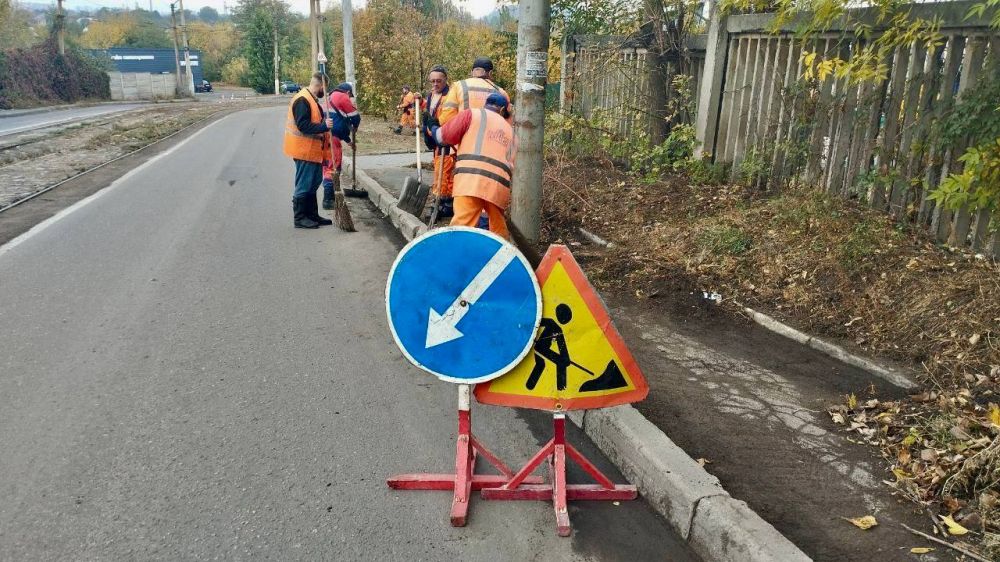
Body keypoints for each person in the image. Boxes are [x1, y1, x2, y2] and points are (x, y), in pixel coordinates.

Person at [430, 93, 515, 238]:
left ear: (485, 105)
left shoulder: (472, 115)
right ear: (502, 110)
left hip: (470, 181)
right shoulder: (512, 132)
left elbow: (442, 137)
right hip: (498, 187)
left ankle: (455, 257)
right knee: (498, 231)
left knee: (462, 226)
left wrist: (432, 127)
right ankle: (499, 256)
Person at [282, 72, 334, 229]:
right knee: (304, 185)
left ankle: (312, 215)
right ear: (319, 86)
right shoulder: (302, 100)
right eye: (325, 89)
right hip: (303, 150)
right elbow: (303, 126)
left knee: (313, 183)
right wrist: (324, 126)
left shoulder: (311, 99)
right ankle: (300, 218)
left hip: (312, 152)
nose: (325, 93)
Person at [421, 65, 455, 218]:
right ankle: (446, 204)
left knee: (443, 172)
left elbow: (449, 117)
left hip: (446, 139)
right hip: (435, 138)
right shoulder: (431, 95)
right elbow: (429, 110)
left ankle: (440, 205)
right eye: (432, 81)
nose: (435, 84)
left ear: (445, 80)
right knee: (441, 171)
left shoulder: (450, 96)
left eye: (438, 81)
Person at [438, 57, 511, 126]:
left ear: (472, 72)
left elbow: (447, 117)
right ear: (490, 73)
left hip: (465, 137)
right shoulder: (501, 93)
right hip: (491, 137)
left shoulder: (459, 86)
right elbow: (507, 123)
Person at [322, 82, 361, 210]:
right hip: (333, 137)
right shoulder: (343, 96)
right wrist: (355, 126)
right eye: (350, 96)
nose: (349, 98)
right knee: (333, 167)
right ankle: (329, 199)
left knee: (327, 166)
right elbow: (355, 116)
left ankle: (330, 196)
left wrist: (349, 140)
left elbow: (339, 122)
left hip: (324, 136)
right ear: (348, 92)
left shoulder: (330, 97)